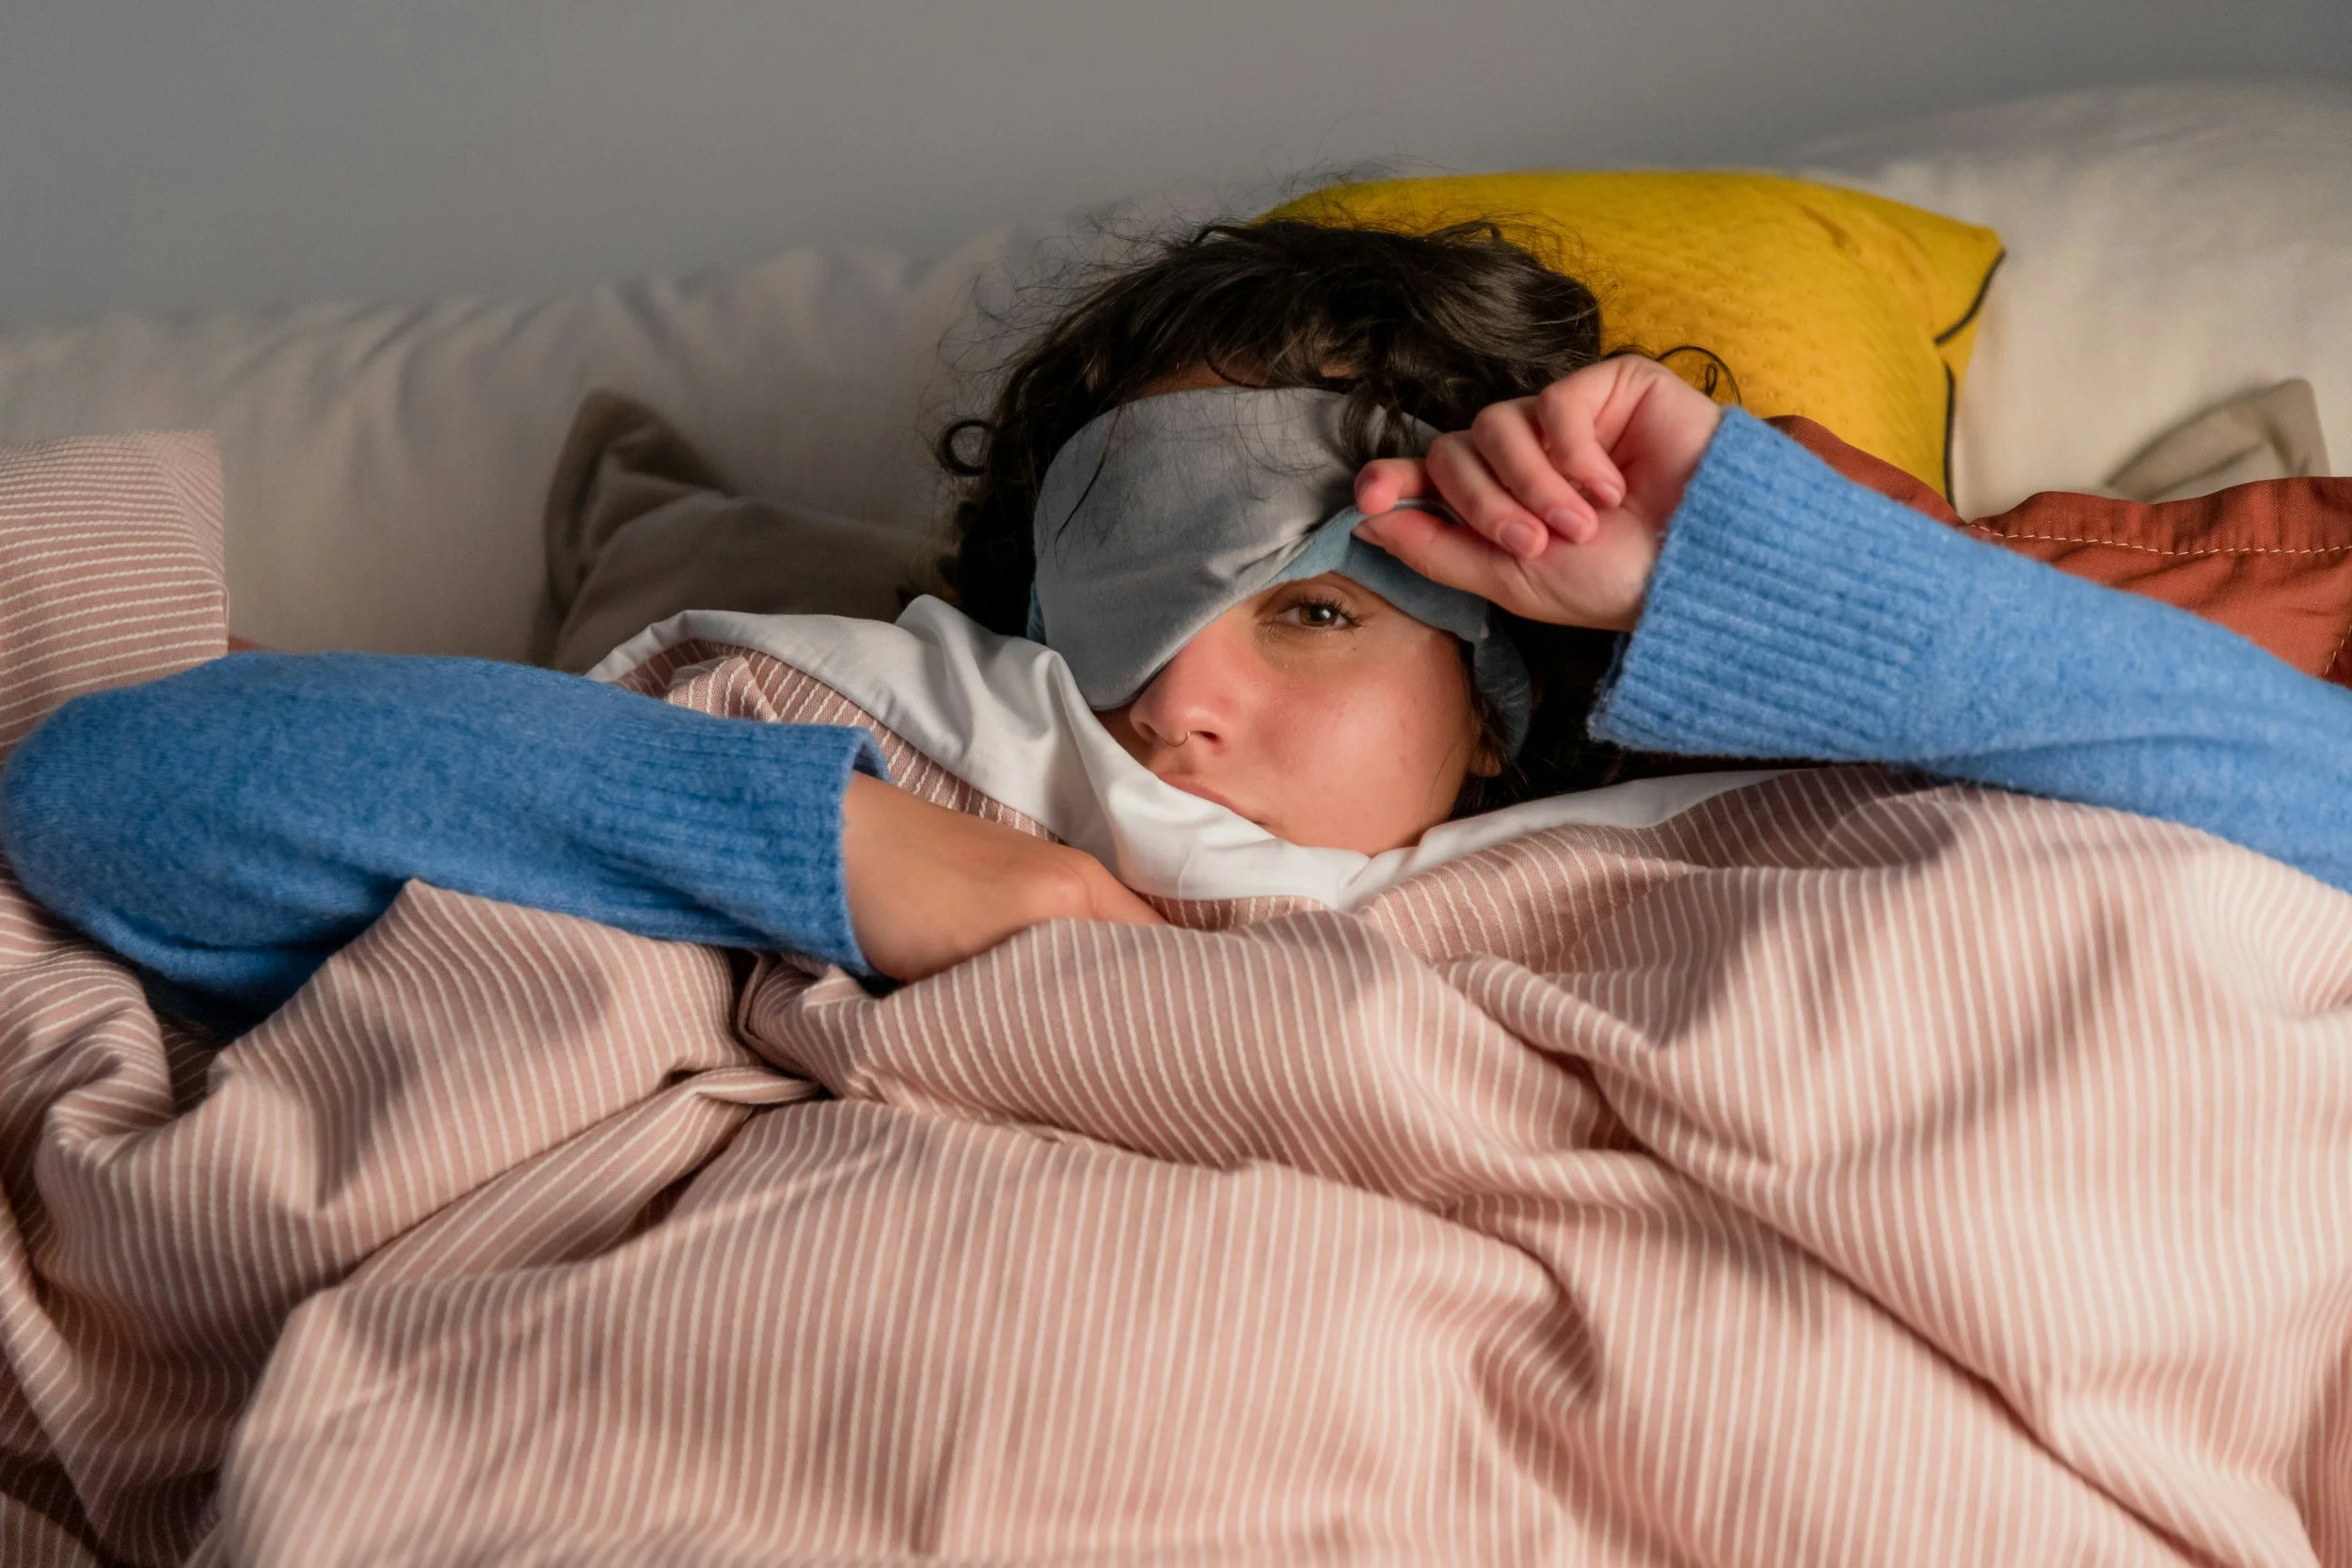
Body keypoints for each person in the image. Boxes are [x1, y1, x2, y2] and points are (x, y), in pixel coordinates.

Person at [6, 218, 2352, 1037]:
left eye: (1314, 609)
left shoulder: (1694, 840)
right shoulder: (908, 741)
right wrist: (920, 868)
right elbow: (114, 791)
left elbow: (2305, 816)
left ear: (1503, 671)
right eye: (1113, 625)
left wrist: (1717, 575)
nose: (1181, 701)